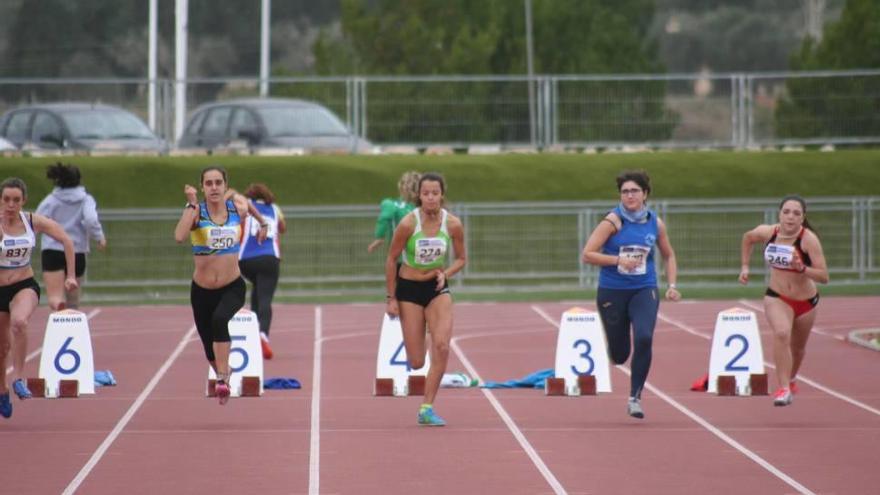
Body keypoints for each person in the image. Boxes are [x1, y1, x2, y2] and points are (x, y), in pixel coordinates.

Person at [581, 170, 680, 419]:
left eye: (634, 191)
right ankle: (614, 350)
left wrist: (671, 284)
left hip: (643, 288)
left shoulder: (655, 223)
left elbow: (669, 255)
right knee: (620, 353)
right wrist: (618, 260)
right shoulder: (612, 222)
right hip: (612, 291)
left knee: (645, 337)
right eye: (625, 192)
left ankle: (635, 396)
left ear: (645, 194)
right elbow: (588, 254)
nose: (629, 196)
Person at [174, 166, 267, 405]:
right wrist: (191, 203)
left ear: (225, 185)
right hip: (202, 290)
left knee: (220, 320)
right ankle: (223, 373)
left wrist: (262, 222)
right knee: (208, 346)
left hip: (232, 286)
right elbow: (179, 236)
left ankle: (223, 379)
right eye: (209, 183)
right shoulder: (197, 212)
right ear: (202, 187)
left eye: (218, 182)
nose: (214, 187)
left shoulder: (236, 208)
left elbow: (247, 203)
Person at [385, 172, 466, 426]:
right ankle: (422, 329)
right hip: (409, 289)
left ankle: (426, 407)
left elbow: (462, 258)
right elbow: (391, 260)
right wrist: (391, 297)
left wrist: (446, 273)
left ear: (442, 195)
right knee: (417, 361)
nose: (431, 198)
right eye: (426, 193)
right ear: (419, 196)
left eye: (435, 193)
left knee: (442, 347)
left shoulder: (452, 224)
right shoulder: (408, 224)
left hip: (436, 288)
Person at [738, 195, 828, 406]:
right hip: (777, 296)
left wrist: (803, 268)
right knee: (781, 333)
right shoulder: (769, 232)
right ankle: (784, 388)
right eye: (786, 212)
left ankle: (792, 378)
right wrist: (745, 266)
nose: (790, 217)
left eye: (796, 213)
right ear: (779, 213)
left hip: (806, 302)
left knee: (797, 349)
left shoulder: (808, 240)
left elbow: (824, 276)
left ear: (803, 217)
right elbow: (747, 238)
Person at [0, 177, 78, 414]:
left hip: (24, 284)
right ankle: (3, 391)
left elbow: (66, 239)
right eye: (6, 199)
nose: (11, 205)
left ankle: (19, 379)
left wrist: (71, 275)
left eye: (16, 200)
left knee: (20, 322)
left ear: (24, 201)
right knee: (2, 348)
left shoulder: (32, 221)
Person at [36, 162, 107, 311]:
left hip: (52, 250)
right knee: (73, 300)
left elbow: (37, 220)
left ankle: (58, 307)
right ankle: (73, 321)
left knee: (54, 297)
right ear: (79, 180)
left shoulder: (51, 200)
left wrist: (27, 239)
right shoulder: (85, 199)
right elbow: (90, 219)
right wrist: (99, 237)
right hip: (77, 251)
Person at [238, 183, 286, 360]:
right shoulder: (274, 208)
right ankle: (262, 334)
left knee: (257, 289)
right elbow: (282, 228)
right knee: (265, 297)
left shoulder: (244, 204)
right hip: (268, 258)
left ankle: (252, 332)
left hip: (245, 260)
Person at [367, 171, 421, 254]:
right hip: (422, 256)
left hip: (400, 256)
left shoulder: (392, 205)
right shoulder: (426, 208)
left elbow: (385, 217)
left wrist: (379, 237)